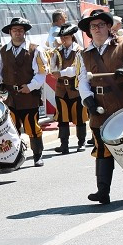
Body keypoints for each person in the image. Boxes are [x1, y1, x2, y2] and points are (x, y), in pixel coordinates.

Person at [77, 9, 123, 204]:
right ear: (89, 30)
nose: (97, 29)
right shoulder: (84, 54)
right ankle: (102, 191)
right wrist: (87, 98)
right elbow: (82, 80)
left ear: (108, 26)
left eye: (100, 25)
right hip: (100, 107)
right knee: (102, 148)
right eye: (93, 26)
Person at [0, 17, 50, 167]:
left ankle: (37, 155)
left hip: (29, 96)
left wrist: (31, 86)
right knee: (12, 129)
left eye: (20, 30)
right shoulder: (2, 51)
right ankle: (16, 157)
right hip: (10, 97)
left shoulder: (35, 49)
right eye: (15, 30)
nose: (17, 33)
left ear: (24, 32)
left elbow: (41, 73)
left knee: (32, 127)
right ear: (10, 32)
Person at [49, 23, 87, 153]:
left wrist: (62, 72)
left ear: (72, 37)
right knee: (62, 118)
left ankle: (81, 142)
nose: (64, 40)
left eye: (66, 37)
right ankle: (64, 144)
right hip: (61, 88)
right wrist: (54, 71)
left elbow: (76, 69)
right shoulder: (57, 51)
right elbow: (52, 66)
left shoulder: (79, 51)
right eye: (62, 37)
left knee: (80, 117)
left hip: (75, 88)